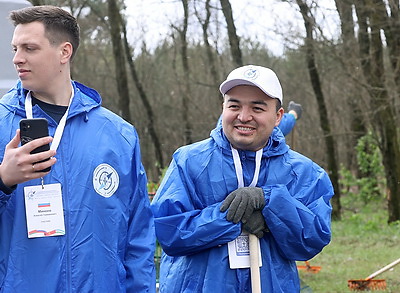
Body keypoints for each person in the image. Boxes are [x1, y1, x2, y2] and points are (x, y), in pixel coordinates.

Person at [0, 5, 155, 292]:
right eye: (15, 49)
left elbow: (138, 236)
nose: (17, 59)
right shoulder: (2, 124)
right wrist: (2, 180)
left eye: (29, 48)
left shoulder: (118, 134)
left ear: (64, 52)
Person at [150, 65, 333, 292]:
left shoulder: (304, 173)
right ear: (223, 108)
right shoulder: (189, 161)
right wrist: (231, 218)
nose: (244, 117)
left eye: (257, 108)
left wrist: (271, 203)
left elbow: (311, 240)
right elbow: (168, 232)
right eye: (234, 105)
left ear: (278, 117)